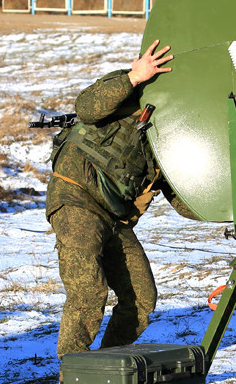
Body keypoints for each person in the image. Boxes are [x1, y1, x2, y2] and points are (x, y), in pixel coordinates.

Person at [45, 39, 173, 358]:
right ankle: (73, 375)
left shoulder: (175, 132)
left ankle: (106, 366)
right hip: (76, 198)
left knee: (141, 299)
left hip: (114, 217)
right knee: (88, 292)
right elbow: (86, 107)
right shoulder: (132, 90)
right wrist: (134, 76)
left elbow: (184, 198)